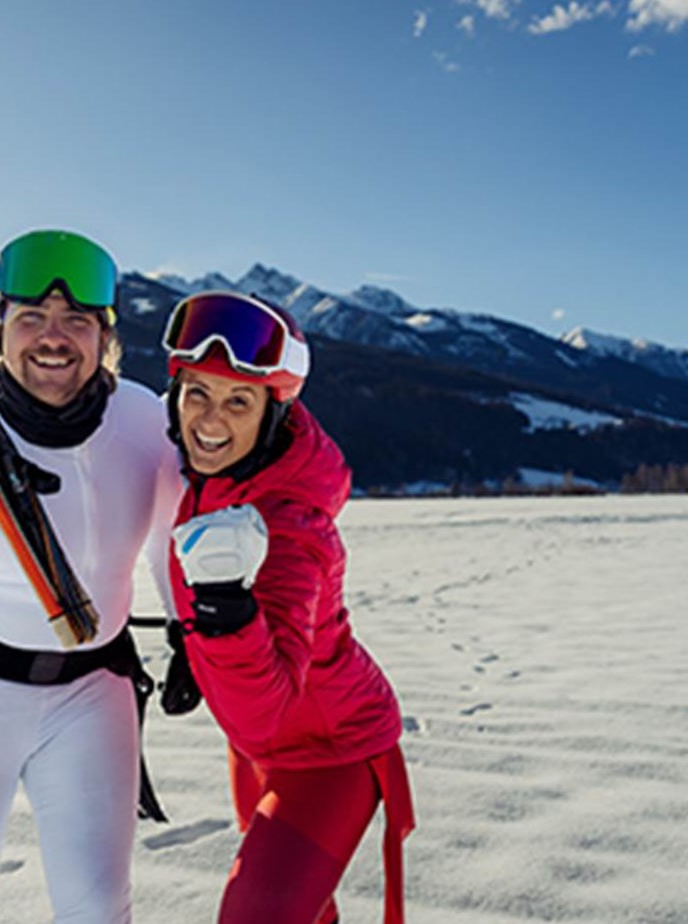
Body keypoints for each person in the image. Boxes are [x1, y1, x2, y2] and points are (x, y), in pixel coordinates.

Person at [0, 229, 180, 924]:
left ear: (103, 335)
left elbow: (168, 544)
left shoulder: (144, 418)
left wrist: (188, 633)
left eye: (77, 320)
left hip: (95, 695)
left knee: (98, 912)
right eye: (31, 319)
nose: (54, 337)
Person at [158, 291, 416, 924]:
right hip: (259, 749)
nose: (211, 418)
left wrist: (225, 623)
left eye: (238, 401)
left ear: (274, 413)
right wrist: (190, 643)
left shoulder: (292, 530)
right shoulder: (222, 477)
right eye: (198, 393)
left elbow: (269, 704)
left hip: (331, 754)